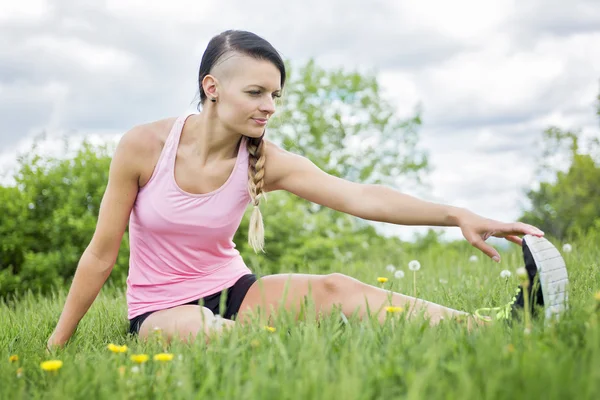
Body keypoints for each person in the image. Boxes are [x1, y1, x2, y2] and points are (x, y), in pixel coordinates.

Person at [46, 30, 568, 349]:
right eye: (255, 91)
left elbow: (362, 197)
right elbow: (101, 253)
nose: (269, 105)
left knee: (337, 286)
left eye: (275, 93)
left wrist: (457, 214)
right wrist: (59, 342)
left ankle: (500, 328)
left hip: (237, 291)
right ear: (212, 87)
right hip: (161, 310)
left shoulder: (265, 159)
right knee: (213, 337)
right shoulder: (143, 147)